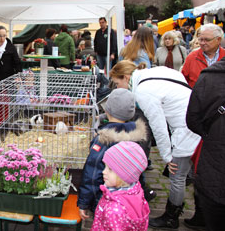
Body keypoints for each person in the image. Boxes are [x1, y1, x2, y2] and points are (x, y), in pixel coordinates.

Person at [110, 60, 201, 229]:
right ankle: (190, 213)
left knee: (177, 175)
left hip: (185, 126)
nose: (118, 89)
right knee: (189, 172)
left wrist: (167, 157)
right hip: (194, 116)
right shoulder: (154, 72)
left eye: (117, 83)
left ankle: (171, 217)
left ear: (126, 77)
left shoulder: (143, 91)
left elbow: (158, 126)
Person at [77, 88, 148, 218]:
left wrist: (84, 203)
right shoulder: (136, 137)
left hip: (105, 201)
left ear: (107, 110)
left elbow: (92, 175)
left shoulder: (104, 140)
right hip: (128, 201)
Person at [186, 57, 225, 231]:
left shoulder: (209, 76)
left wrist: (210, 135)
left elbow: (193, 119)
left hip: (214, 167)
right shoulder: (209, 74)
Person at [91, 141, 150, 231]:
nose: (104, 171)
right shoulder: (136, 190)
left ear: (124, 175)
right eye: (105, 167)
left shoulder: (114, 211)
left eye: (110, 169)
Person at [181, 23, 225, 87]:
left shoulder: (223, 55)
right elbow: (183, 81)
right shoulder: (192, 57)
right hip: (196, 96)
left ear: (218, 40)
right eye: (201, 39)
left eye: (207, 40)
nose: (202, 43)